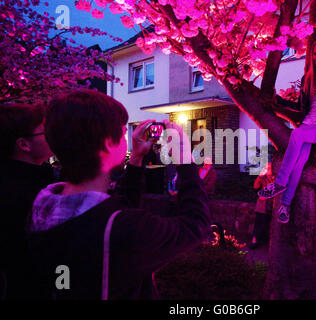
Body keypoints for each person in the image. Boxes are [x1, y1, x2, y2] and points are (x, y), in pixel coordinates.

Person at [28, 89, 210, 300]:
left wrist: (136, 160)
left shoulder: (41, 206)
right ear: (107, 142)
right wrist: (185, 159)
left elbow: (112, 212)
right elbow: (196, 225)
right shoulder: (127, 228)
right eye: (123, 133)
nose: (126, 141)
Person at [257, 38, 316, 223]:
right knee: (299, 163)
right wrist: (280, 101)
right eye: (315, 53)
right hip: (307, 125)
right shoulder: (306, 79)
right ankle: (285, 205)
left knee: (296, 134)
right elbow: (301, 107)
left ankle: (279, 183)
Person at [0, 103, 54, 299]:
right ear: (24, 144)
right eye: (45, 132)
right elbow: (56, 258)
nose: (53, 135)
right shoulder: (27, 195)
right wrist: (63, 289)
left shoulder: (36, 179)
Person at [249, 163, 274, 249]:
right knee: (258, 222)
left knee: (266, 223)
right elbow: (255, 186)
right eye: (266, 167)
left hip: (269, 204)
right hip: (261, 204)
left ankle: (263, 241)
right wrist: (259, 176)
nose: (267, 169)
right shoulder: (263, 177)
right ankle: (254, 240)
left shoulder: (275, 178)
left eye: (269, 168)